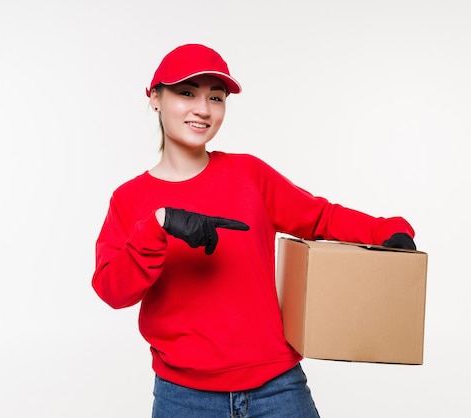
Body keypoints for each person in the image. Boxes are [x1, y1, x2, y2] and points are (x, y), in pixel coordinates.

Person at [91, 43, 416, 418]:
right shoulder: (130, 199)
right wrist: (159, 226)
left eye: (216, 97)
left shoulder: (248, 175)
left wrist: (388, 230)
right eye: (186, 93)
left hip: (277, 388)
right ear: (155, 99)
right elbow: (112, 291)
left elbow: (319, 217)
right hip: (183, 396)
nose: (203, 109)